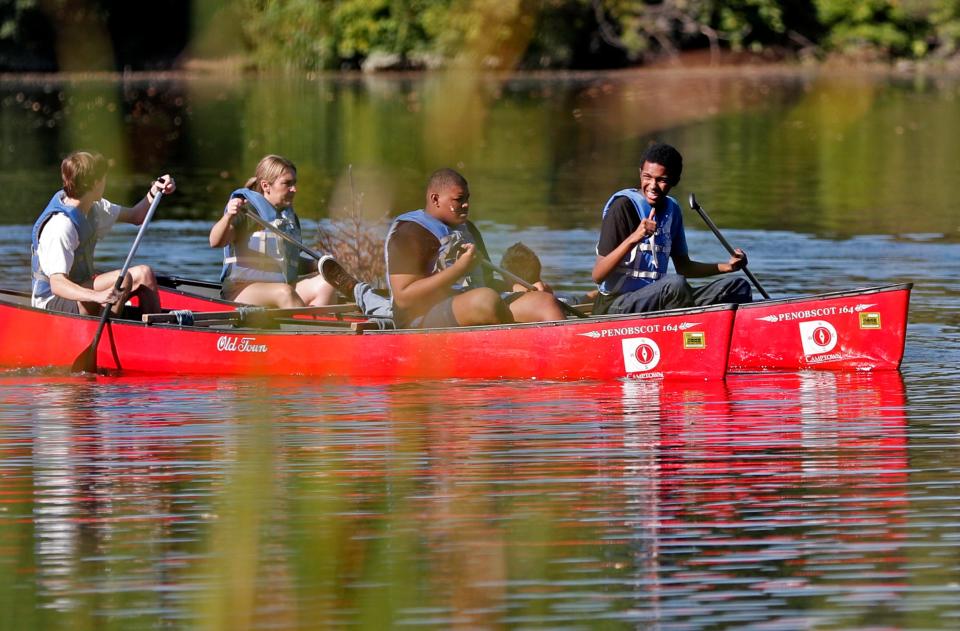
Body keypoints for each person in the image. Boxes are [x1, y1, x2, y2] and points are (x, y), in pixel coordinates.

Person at [209, 154, 390, 317]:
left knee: (325, 284)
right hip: (242, 290)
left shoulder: (288, 218)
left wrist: (319, 265)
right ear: (266, 186)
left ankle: (322, 334)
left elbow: (289, 262)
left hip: (280, 287)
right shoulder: (247, 211)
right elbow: (215, 241)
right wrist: (228, 217)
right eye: (287, 183)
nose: (294, 189)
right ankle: (307, 337)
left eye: (294, 183)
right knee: (284, 292)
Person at [385, 168, 564, 329]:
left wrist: (518, 288)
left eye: (467, 198)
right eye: (458, 199)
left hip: (477, 304)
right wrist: (458, 269)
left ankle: (564, 355)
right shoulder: (408, 233)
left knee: (544, 301)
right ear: (435, 199)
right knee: (486, 300)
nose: (466, 204)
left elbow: (486, 282)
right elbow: (403, 297)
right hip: (421, 319)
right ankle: (510, 355)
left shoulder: (468, 229)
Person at [591, 142, 752, 315]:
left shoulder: (672, 210)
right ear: (640, 173)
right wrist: (634, 238)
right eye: (647, 177)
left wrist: (728, 267)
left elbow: (685, 268)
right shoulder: (622, 207)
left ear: (674, 180)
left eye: (662, 180)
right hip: (615, 305)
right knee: (675, 285)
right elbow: (598, 275)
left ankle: (715, 332)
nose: (652, 185)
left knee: (737, 287)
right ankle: (690, 333)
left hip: (658, 300)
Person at [31, 150, 175, 316]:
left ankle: (155, 333)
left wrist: (155, 191)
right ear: (94, 184)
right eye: (104, 178)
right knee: (122, 279)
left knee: (144, 274)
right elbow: (57, 284)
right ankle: (111, 332)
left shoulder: (95, 208)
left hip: (82, 290)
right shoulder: (60, 226)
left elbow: (136, 216)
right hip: (51, 302)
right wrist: (96, 296)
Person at [499, 241, 597, 306]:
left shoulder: (499, 300)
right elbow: (583, 300)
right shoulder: (559, 299)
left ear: (505, 277)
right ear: (538, 271)